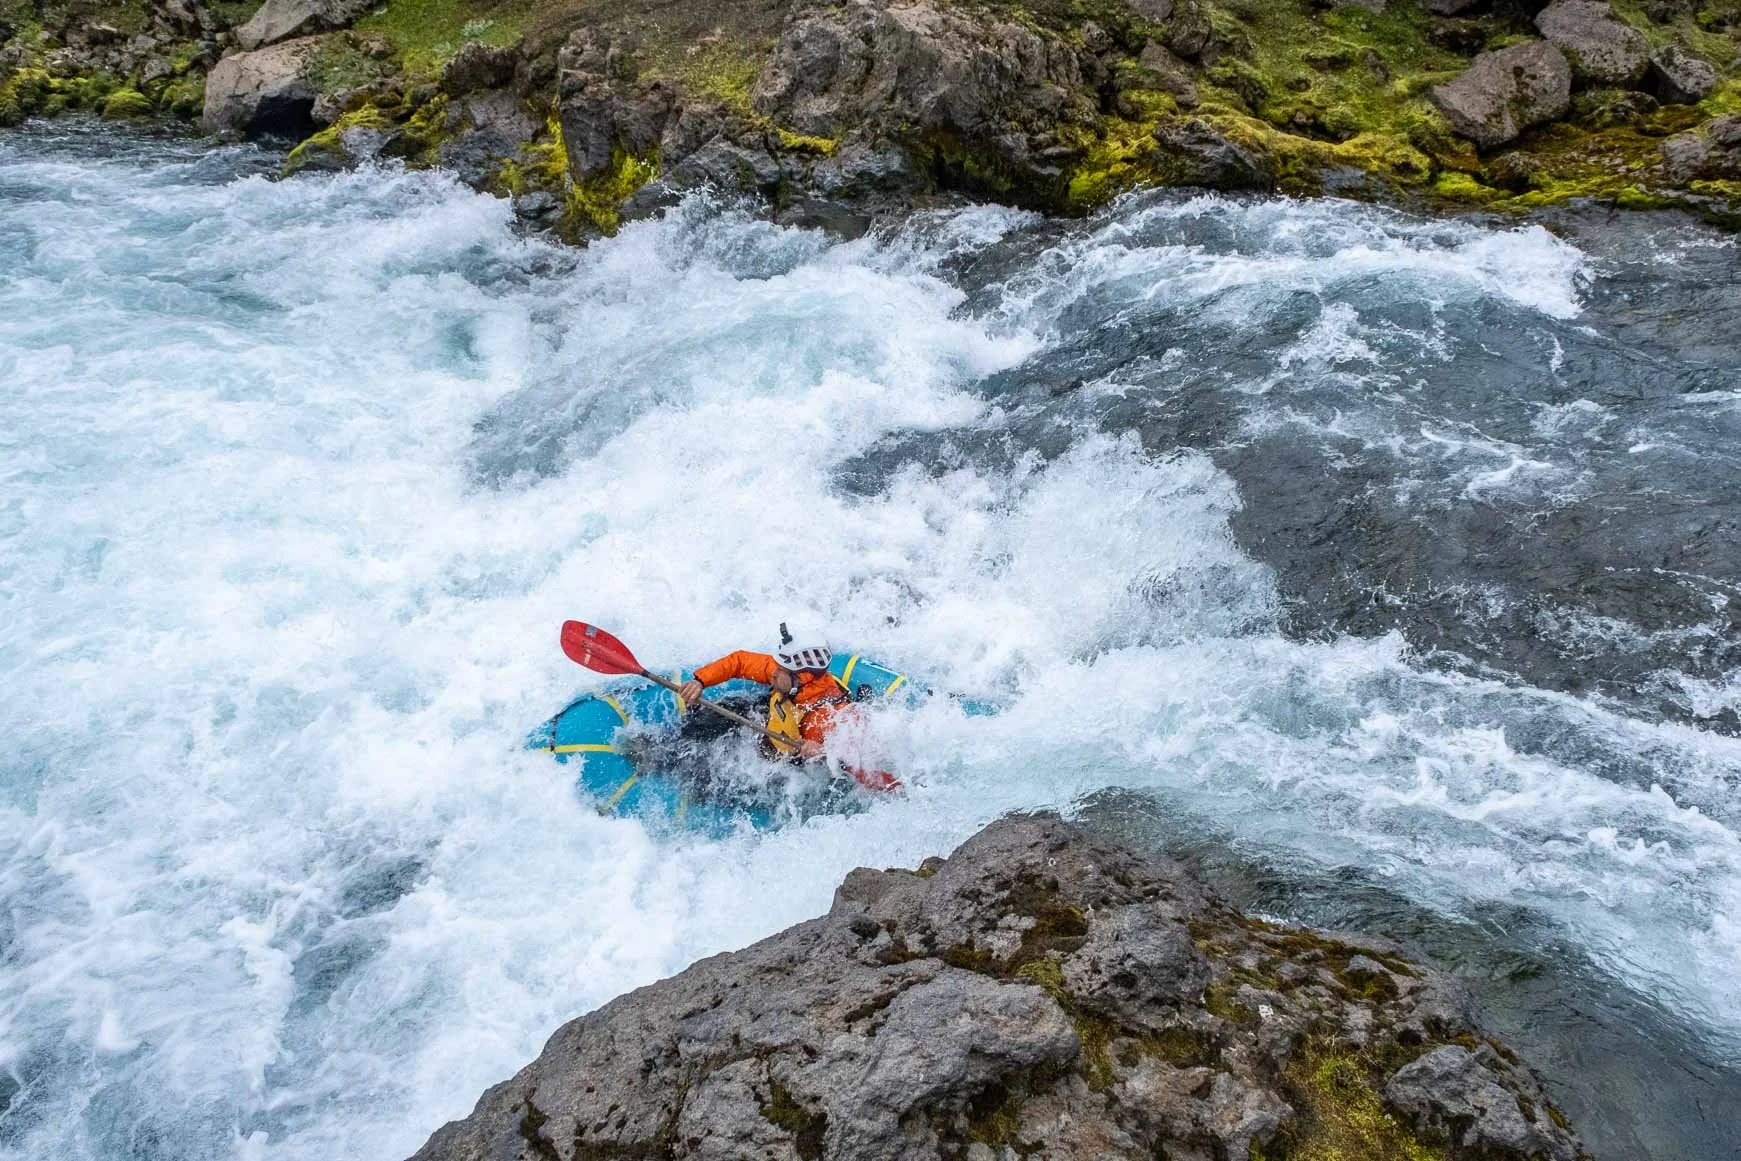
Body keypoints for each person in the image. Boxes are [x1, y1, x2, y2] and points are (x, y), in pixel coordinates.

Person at [677, 634, 852, 763]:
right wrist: (700, 681)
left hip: (783, 765)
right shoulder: (789, 677)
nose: (772, 674)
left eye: (780, 671)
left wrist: (824, 752)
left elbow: (853, 755)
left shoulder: (824, 719)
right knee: (731, 708)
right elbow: (740, 661)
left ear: (800, 678)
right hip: (769, 722)